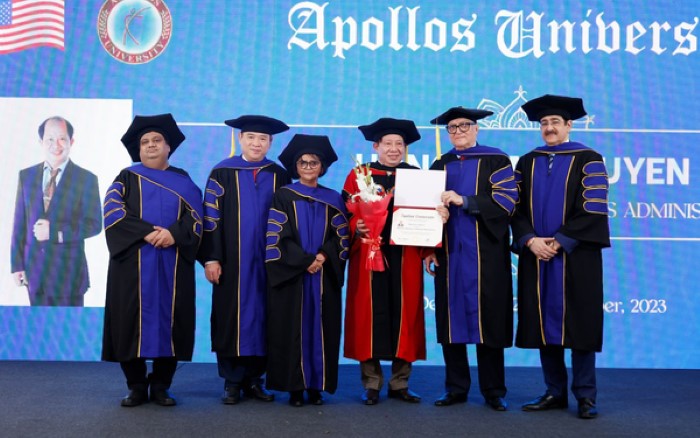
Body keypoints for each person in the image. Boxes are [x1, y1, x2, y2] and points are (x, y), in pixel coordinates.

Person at [513, 95, 610, 419]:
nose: (549, 127)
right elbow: (515, 209)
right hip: (536, 255)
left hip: (576, 256)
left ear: (569, 125)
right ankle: (554, 391)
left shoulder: (589, 159)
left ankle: (586, 396)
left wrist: (559, 241)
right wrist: (529, 240)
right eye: (544, 123)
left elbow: (593, 208)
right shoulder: (527, 161)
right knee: (543, 324)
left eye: (555, 122)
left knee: (580, 326)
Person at [102, 113, 203, 407]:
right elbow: (113, 212)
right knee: (128, 321)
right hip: (131, 265)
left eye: (157, 140)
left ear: (168, 146)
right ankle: (135, 386)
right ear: (139, 149)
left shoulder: (184, 182)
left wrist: (173, 234)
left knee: (171, 322)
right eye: (145, 141)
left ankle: (161, 386)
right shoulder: (125, 178)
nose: (150, 145)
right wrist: (147, 232)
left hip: (172, 263)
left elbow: (198, 218)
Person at [343, 117, 444, 405]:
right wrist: (357, 226)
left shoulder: (416, 177)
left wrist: (429, 250)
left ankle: (400, 383)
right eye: (387, 143)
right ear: (376, 146)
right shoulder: (360, 175)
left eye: (399, 143)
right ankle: (371, 383)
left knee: (406, 316)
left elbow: (427, 217)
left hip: (406, 255)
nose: (394, 148)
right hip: (368, 254)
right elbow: (344, 213)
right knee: (368, 316)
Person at [424, 107, 518, 411]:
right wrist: (429, 247)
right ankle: (455, 388)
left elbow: (506, 202)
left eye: (464, 126)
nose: (458, 131)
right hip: (450, 254)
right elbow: (425, 209)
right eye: (452, 127)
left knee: (489, 320)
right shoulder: (440, 164)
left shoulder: (496, 160)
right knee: (451, 321)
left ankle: (493, 390)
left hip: (486, 255)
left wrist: (464, 201)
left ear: (476, 129)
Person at [200, 115, 291, 405]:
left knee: (266, 316)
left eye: (263, 139)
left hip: (269, 261)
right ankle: (232, 381)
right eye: (250, 137)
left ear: (270, 143)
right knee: (231, 315)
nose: (256, 143)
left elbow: (290, 219)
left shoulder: (279, 175)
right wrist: (211, 258)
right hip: (232, 261)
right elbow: (210, 218)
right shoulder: (222, 172)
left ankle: (255, 379)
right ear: (240, 139)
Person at [265, 134, 349, 407]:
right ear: (296, 166)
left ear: (322, 167)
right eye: (303, 163)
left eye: (314, 162)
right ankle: (295, 388)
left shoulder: (333, 198)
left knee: (322, 330)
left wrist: (323, 256)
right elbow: (278, 237)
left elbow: (341, 236)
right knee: (292, 330)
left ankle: (317, 387)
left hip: (323, 276)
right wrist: (304, 261)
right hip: (294, 277)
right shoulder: (284, 196)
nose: (309, 167)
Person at [11, 116, 102, 306]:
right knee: (36, 324)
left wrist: (55, 232)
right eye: (50, 139)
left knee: (68, 324)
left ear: (71, 142)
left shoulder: (86, 179)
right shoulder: (26, 176)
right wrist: (17, 265)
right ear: (41, 142)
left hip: (68, 276)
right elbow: (20, 223)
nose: (56, 145)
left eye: (62, 138)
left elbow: (94, 224)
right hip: (34, 273)